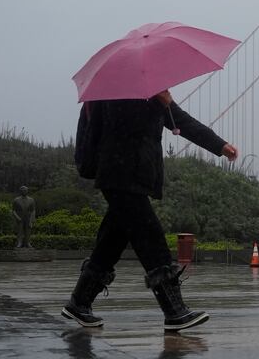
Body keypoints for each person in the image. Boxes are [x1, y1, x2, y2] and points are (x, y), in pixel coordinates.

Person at [61, 90, 238, 331]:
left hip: (137, 176)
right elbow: (119, 128)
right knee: (150, 236)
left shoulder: (153, 93)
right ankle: (174, 311)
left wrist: (220, 145)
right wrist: (154, 105)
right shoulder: (111, 94)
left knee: (112, 240)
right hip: (118, 174)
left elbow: (182, 121)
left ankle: (79, 303)